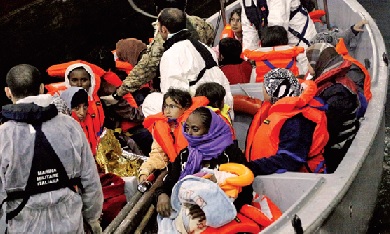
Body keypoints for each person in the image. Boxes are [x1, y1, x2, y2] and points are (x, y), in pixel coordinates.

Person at [0, 64, 103, 233]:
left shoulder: (3, 137)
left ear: (8, 92)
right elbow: (91, 182)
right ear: (41, 88)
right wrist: (92, 219)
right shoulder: (71, 126)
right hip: (71, 226)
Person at [155, 107, 252, 218]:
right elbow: (168, 184)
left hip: (224, 213)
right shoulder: (185, 155)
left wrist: (212, 209)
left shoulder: (230, 154)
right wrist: (161, 195)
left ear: (211, 131)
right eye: (186, 128)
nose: (188, 133)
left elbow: (246, 193)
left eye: (195, 129)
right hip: (189, 215)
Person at [116, 0, 214, 96]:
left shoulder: (162, 43)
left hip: (186, 88)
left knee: (151, 100)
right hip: (206, 77)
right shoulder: (199, 23)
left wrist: (119, 93)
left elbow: (146, 69)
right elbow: (210, 34)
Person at [246, 68, 329, 175]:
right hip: (270, 179)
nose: (263, 91)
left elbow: (291, 159)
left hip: (296, 183)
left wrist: (252, 167)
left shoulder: (298, 120)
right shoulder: (285, 111)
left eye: (265, 87)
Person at [158, 8, 234, 109]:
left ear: (163, 29)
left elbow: (171, 96)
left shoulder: (171, 55)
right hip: (225, 108)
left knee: (151, 101)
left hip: (200, 116)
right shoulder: (205, 47)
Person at [306, 43, 360, 173]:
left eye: (309, 62)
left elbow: (329, 127)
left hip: (337, 149)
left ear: (318, 63)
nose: (307, 66)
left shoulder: (338, 94)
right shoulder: (333, 82)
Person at [139, 89, 208, 182]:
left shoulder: (198, 124)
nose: (167, 111)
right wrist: (145, 171)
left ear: (185, 108)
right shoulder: (163, 127)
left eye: (172, 106)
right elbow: (157, 155)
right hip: (178, 171)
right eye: (165, 106)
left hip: (202, 171)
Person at [240, 0, 317, 74]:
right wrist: (251, 58)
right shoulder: (246, 2)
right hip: (278, 43)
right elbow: (249, 29)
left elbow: (276, 27)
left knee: (309, 75)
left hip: (301, 43)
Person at [310, 20, 372, 105]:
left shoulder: (348, 69)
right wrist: (352, 30)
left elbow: (355, 97)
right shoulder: (336, 62)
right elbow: (341, 38)